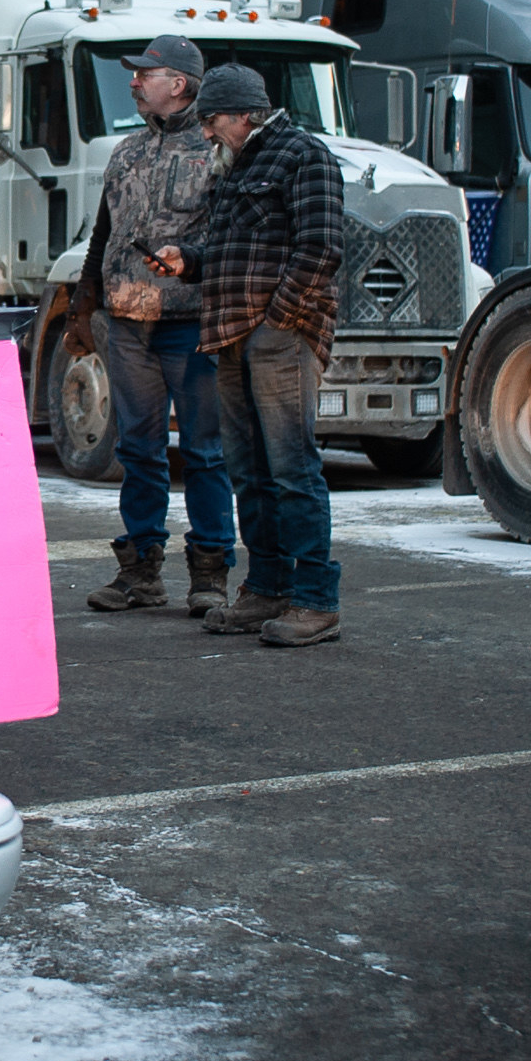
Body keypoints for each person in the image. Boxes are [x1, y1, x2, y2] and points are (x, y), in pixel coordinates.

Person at [150, 61, 345, 648]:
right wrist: (192, 258)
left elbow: (323, 247)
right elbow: (236, 251)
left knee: (292, 469)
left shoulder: (304, 156)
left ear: (244, 114)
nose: (206, 132)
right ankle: (266, 588)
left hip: (277, 337)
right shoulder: (238, 165)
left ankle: (316, 601)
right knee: (251, 473)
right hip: (231, 335)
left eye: (212, 120)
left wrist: (275, 322)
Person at [71, 33, 236, 616]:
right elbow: (103, 233)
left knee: (204, 452)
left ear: (181, 84)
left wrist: (189, 257)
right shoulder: (126, 153)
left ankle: (210, 575)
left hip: (189, 325)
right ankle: (139, 573)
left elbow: (231, 238)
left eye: (147, 73)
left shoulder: (217, 151)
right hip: (126, 325)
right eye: (135, 73)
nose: (135, 81)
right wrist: (85, 301)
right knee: (138, 450)